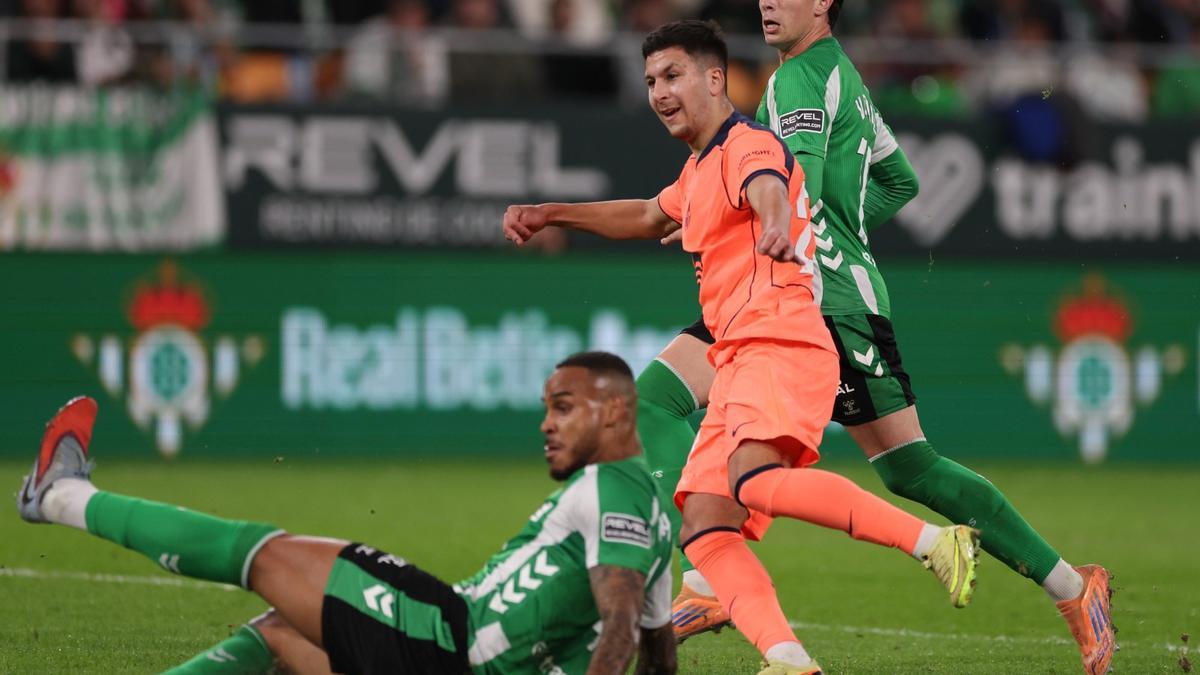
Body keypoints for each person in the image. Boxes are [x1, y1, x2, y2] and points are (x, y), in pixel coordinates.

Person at [646, 2, 1117, 673]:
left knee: (906, 466)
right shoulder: (840, 73)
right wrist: (842, 230)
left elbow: (791, 182)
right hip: (802, 291)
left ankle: (1070, 585)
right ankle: (707, 576)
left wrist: (757, 219)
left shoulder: (798, 79)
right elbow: (901, 181)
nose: (769, 3)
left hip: (813, 297)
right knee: (670, 399)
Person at [504, 20, 980, 675]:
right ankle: (788, 658)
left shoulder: (747, 143)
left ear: (714, 78)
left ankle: (932, 540)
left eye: (673, 75)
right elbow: (646, 215)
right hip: (737, 354)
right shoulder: (699, 168)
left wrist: (779, 225)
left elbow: (769, 187)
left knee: (753, 478)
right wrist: (552, 212)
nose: (659, 92)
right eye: (650, 80)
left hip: (781, 340)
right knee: (704, 526)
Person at [16, 352, 678, 675]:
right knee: (282, 635)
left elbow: (621, 625)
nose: (546, 424)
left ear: (616, 412)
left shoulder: (611, 490)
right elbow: (658, 651)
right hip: (449, 653)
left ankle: (59, 495)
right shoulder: (651, 520)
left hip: (442, 640)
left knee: (262, 554)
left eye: (564, 408)